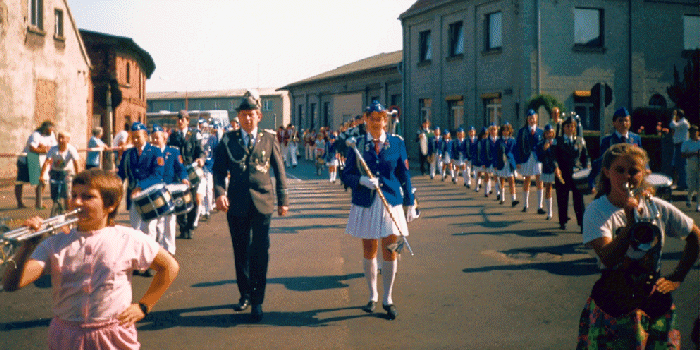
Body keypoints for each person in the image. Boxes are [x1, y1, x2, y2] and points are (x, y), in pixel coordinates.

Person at [2, 169, 180, 349]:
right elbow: (11, 284)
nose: (76, 202)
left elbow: (170, 267)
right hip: (66, 336)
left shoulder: (129, 238)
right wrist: (27, 246)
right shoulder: (55, 243)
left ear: (110, 205)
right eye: (74, 195)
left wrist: (144, 306)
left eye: (87, 197)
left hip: (113, 335)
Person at [578, 143, 700, 349]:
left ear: (644, 174)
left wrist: (677, 277)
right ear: (607, 172)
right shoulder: (596, 211)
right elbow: (608, 258)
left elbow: (695, 235)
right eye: (620, 170)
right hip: (613, 303)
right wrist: (630, 224)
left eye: (634, 171)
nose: (627, 177)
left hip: (654, 302)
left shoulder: (656, 206)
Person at [212, 90, 289, 323]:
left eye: (251, 114)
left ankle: (258, 300)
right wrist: (219, 193)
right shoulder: (228, 140)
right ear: (239, 117)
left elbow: (279, 170)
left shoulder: (269, 138)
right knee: (241, 251)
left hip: (263, 201)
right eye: (243, 114)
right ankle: (244, 293)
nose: (247, 118)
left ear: (259, 116)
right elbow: (217, 170)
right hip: (236, 203)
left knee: (260, 252)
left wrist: (283, 200)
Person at [341, 100, 417, 321]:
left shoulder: (396, 143)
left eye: (380, 119)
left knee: (391, 249)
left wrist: (410, 201)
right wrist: (362, 180)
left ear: (386, 121)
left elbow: (404, 174)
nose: (376, 123)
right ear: (367, 120)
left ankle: (388, 298)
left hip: (390, 201)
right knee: (369, 249)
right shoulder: (357, 145)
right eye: (372, 119)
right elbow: (346, 175)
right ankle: (372, 295)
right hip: (366, 202)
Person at [117, 122, 165, 258]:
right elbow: (121, 174)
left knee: (149, 229)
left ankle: (149, 259)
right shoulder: (128, 153)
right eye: (133, 137)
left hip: (149, 196)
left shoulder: (155, 151)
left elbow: (157, 175)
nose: (135, 140)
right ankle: (138, 258)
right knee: (135, 229)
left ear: (145, 136)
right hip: (133, 197)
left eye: (138, 137)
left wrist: (140, 186)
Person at [150, 124, 189, 255]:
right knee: (158, 222)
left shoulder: (173, 152)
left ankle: (170, 249)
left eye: (157, 138)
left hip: (169, 188)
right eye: (153, 138)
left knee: (170, 220)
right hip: (155, 190)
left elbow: (180, 168)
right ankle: (160, 250)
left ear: (164, 139)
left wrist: (184, 178)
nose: (155, 140)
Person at [167, 111, 204, 239]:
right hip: (178, 174)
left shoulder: (194, 135)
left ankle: (189, 227)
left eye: (183, 119)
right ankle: (182, 228)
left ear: (188, 121)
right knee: (179, 201)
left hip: (191, 173)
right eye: (178, 119)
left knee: (193, 201)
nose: (180, 121)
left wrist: (200, 159)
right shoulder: (173, 136)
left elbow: (200, 151)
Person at [588, 107, 642, 193]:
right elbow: (602, 161)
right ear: (614, 123)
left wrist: (646, 168)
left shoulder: (636, 139)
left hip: (632, 179)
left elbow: (641, 158)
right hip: (615, 181)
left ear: (630, 122)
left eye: (626, 120)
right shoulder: (608, 140)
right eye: (620, 121)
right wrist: (593, 182)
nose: (624, 124)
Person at [553, 117, 589, 231]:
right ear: (563, 127)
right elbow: (554, 157)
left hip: (577, 174)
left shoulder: (580, 140)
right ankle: (562, 221)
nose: (570, 128)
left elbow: (585, 156)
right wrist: (556, 168)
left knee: (579, 200)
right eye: (567, 126)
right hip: (563, 173)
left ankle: (582, 223)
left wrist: (586, 167)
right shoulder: (558, 140)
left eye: (572, 126)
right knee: (562, 198)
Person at [16, 121, 57, 209]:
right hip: (26, 160)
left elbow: (54, 147)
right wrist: (45, 149)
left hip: (42, 161)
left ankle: (39, 202)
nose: (51, 132)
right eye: (50, 130)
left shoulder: (51, 135)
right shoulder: (35, 135)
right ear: (45, 129)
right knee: (21, 182)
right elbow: (32, 149)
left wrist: (43, 148)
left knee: (43, 180)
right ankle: (19, 203)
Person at [41, 131, 81, 213]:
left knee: (67, 194)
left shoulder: (71, 149)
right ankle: (55, 210)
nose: (60, 140)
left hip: (67, 173)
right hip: (55, 173)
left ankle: (68, 212)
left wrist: (79, 176)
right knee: (54, 195)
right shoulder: (53, 149)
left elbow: (76, 163)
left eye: (62, 138)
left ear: (68, 140)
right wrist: (41, 175)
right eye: (59, 137)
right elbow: (46, 162)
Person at [515, 109, 545, 214]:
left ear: (536, 119)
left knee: (539, 180)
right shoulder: (522, 131)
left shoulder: (541, 132)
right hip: (526, 158)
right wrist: (517, 161)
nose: (532, 120)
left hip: (537, 158)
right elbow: (517, 147)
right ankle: (525, 205)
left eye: (533, 118)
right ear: (527, 120)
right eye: (530, 118)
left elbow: (543, 147)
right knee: (526, 180)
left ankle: (539, 206)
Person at [536, 124, 559, 218]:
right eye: (547, 133)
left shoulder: (556, 142)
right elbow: (539, 157)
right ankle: (549, 212)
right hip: (547, 168)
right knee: (548, 188)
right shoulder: (541, 144)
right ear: (544, 134)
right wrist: (544, 149)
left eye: (550, 132)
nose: (549, 134)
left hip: (557, 168)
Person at [496, 123, 517, 206]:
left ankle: (513, 199)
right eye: (504, 130)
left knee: (511, 180)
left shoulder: (512, 140)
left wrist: (516, 162)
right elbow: (496, 153)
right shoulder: (499, 141)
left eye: (507, 130)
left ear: (510, 131)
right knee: (502, 181)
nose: (505, 132)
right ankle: (502, 197)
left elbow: (516, 152)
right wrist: (495, 164)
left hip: (510, 163)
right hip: (501, 162)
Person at [669, 108, 689, 190]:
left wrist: (673, 116)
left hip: (682, 146)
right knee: (678, 165)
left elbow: (672, 125)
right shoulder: (681, 122)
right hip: (678, 145)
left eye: (676, 115)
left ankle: (683, 184)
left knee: (681, 165)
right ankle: (681, 183)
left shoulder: (683, 122)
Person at [681, 124, 700, 211]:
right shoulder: (686, 143)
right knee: (691, 186)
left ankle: (698, 205)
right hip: (690, 166)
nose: (693, 134)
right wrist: (694, 153)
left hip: (699, 166)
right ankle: (689, 199)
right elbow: (683, 154)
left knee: (699, 186)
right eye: (691, 132)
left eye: (695, 132)